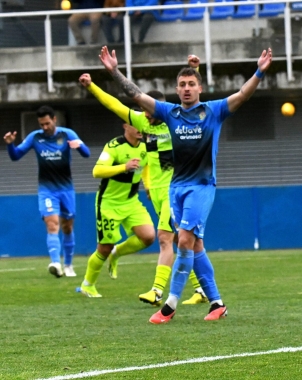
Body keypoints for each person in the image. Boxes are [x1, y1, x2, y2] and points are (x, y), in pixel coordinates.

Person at [98, 44, 272, 323]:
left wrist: (259, 73)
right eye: (182, 84)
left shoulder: (213, 111)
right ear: (177, 90)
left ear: (199, 88)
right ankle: (217, 303)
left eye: (191, 83)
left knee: (185, 241)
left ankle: (169, 304)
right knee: (196, 245)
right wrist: (115, 71)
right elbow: (136, 95)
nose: (187, 88)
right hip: (175, 188)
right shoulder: (169, 113)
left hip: (201, 187)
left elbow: (242, 95)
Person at [77, 54, 209, 307]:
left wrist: (195, 69)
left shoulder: (175, 120)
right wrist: (92, 86)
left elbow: (197, 103)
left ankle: (157, 291)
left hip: (177, 188)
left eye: (150, 110)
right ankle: (201, 289)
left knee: (165, 238)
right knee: (184, 240)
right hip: (158, 193)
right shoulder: (141, 120)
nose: (144, 115)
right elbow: (114, 105)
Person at [4, 106, 90, 278]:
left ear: (54, 120)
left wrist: (79, 146)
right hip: (47, 190)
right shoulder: (35, 137)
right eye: (41, 124)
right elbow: (15, 156)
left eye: (47, 123)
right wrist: (10, 145)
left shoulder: (67, 134)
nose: (44, 127)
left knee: (67, 226)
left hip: (66, 189)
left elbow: (87, 154)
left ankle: (68, 264)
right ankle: (56, 263)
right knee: (52, 224)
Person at [78, 122, 156, 297]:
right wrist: (124, 166)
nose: (141, 129)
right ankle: (87, 285)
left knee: (149, 236)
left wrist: (149, 186)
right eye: (136, 125)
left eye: (143, 125)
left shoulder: (146, 146)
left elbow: (146, 166)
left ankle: (117, 253)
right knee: (104, 247)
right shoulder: (114, 146)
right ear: (125, 126)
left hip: (131, 201)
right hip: (108, 203)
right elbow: (97, 171)